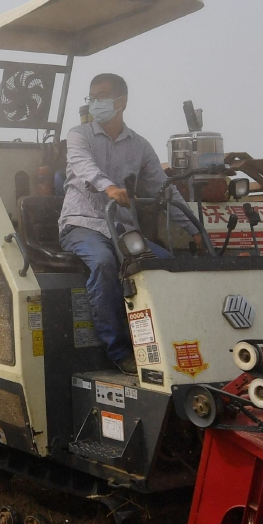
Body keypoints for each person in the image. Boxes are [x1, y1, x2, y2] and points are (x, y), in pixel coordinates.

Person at [58, 73, 180, 371]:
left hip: (122, 231)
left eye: (102, 96)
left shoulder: (139, 146)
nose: (95, 103)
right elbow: (83, 166)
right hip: (81, 224)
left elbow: (164, 188)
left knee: (164, 264)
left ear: (121, 101)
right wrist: (108, 186)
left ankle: (171, 341)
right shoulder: (79, 135)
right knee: (103, 262)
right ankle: (119, 351)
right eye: (92, 97)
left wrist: (195, 229)